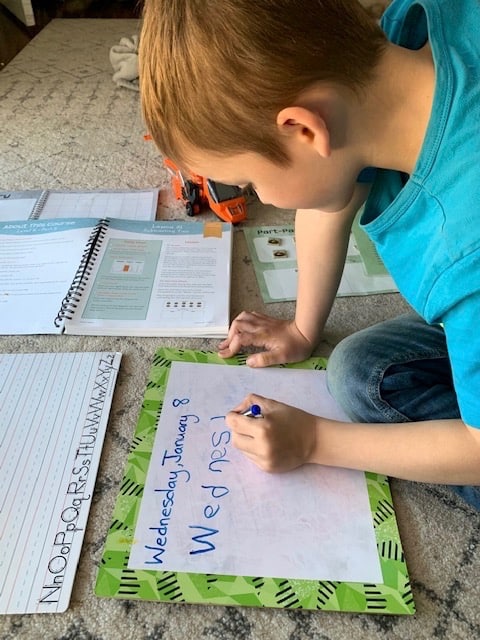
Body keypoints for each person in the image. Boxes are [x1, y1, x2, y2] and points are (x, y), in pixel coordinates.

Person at [139, 0, 480, 508]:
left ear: (304, 129)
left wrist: (316, 440)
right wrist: (302, 329)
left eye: (251, 183)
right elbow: (329, 201)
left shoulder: (465, 251)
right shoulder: (408, 33)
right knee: (361, 369)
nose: (260, 197)